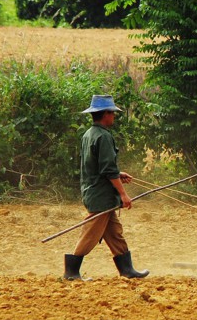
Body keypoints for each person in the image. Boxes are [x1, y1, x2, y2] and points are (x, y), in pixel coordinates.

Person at [63, 94, 149, 280]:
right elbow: (108, 170)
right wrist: (124, 195)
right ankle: (71, 272)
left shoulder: (89, 134)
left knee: (115, 233)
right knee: (90, 233)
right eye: (112, 113)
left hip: (94, 191)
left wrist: (118, 174)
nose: (114, 116)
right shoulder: (103, 137)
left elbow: (99, 167)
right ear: (105, 114)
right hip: (101, 196)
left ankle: (127, 270)